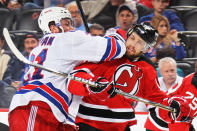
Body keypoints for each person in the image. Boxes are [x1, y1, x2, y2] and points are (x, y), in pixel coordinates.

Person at [8, 6, 126, 131]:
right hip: (38, 106)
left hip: (41, 109)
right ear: (53, 28)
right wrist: (115, 34)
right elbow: (114, 48)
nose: (72, 28)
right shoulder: (67, 39)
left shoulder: (38, 48)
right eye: (67, 24)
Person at [67, 22, 191, 131]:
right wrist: (91, 84)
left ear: (147, 49)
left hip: (121, 126)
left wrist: (171, 106)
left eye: (140, 43)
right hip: (90, 123)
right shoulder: (109, 52)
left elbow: (155, 98)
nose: (133, 44)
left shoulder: (146, 68)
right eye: (132, 38)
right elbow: (74, 78)